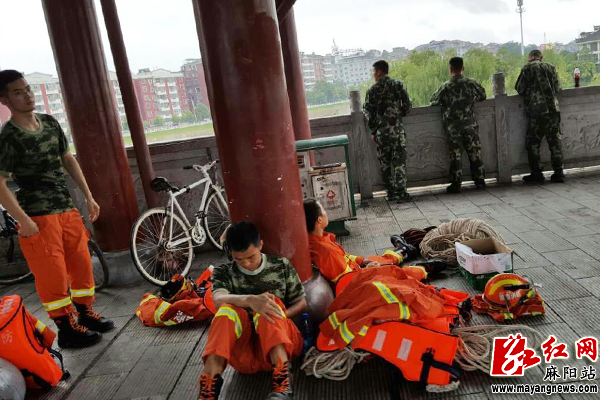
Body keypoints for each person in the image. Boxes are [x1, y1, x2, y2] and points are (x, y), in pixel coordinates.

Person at [0, 70, 113, 349]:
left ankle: (85, 313)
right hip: (37, 216)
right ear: (5, 100)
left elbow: (68, 159)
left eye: (28, 89)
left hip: (66, 207)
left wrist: (88, 196)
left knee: (82, 264)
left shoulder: (50, 123)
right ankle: (66, 328)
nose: (27, 95)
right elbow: (0, 183)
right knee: (52, 273)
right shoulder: (9, 137)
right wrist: (23, 220)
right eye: (18, 92)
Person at [199, 222, 307, 400]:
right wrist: (250, 300)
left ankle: (283, 385)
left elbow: (302, 303)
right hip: (245, 356)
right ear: (231, 253)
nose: (246, 263)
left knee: (269, 305)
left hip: (281, 346)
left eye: (251, 257)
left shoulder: (280, 265)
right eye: (239, 259)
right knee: (226, 312)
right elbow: (217, 299)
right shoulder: (223, 272)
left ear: (261, 245)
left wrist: (279, 316)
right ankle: (208, 390)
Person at [303, 199, 426, 286]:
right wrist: (367, 270)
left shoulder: (316, 240)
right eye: (324, 210)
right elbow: (347, 282)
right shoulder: (326, 251)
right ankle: (426, 269)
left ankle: (403, 251)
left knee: (375, 260)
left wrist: (363, 261)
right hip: (359, 285)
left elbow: (344, 257)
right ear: (319, 220)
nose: (326, 213)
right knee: (396, 273)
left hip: (356, 272)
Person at [430, 57, 487, 194]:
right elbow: (483, 95)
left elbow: (433, 101)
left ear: (450, 69)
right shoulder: (471, 83)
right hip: (470, 125)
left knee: (455, 155)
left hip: (453, 128)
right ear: (463, 68)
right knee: (475, 153)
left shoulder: (445, 86)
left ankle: (456, 184)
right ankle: (480, 181)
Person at [364, 60, 413, 202]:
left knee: (385, 164)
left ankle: (390, 193)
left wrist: (374, 130)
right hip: (397, 131)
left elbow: (368, 112)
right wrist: (398, 115)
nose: (373, 75)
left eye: (374, 72)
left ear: (379, 72)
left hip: (381, 133)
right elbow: (408, 105)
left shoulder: (372, 90)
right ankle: (401, 193)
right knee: (399, 162)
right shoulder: (398, 85)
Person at [516, 50, 565, 183]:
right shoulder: (550, 67)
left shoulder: (527, 68)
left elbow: (520, 89)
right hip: (553, 110)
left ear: (529, 58)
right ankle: (559, 173)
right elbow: (558, 88)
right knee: (554, 142)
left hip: (536, 112)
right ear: (541, 57)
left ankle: (537, 174)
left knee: (533, 143)